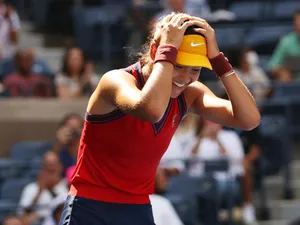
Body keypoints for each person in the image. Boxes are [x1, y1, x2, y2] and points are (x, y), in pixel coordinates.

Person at [59, 13, 260, 225]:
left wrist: (219, 60)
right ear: (156, 51)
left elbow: (249, 119)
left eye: (195, 69)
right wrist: (167, 52)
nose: (185, 78)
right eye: (178, 65)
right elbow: (152, 110)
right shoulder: (115, 80)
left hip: (138, 210)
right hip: (90, 208)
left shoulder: (190, 94)